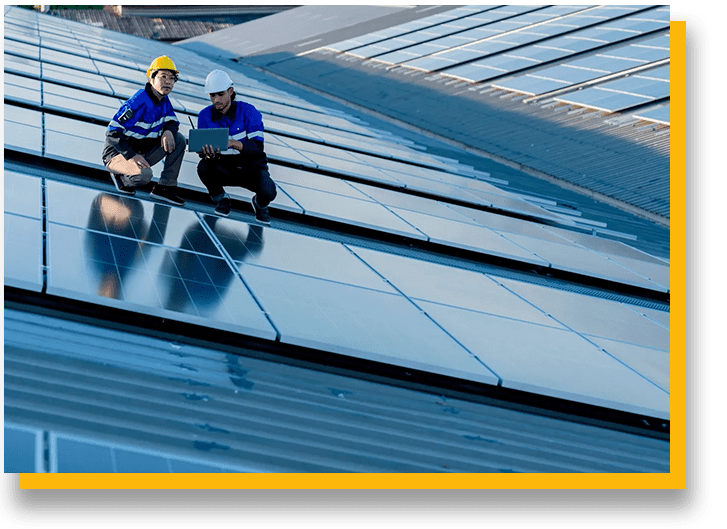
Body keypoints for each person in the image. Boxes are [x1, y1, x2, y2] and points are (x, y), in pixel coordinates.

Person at [102, 55, 186, 206]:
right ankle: (120, 176)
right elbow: (112, 132)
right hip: (118, 153)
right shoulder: (139, 100)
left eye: (172, 78)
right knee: (144, 176)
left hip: (141, 152)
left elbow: (172, 121)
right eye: (163, 76)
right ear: (151, 79)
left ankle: (165, 188)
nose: (168, 81)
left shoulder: (164, 101)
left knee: (178, 139)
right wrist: (131, 156)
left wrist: (168, 131)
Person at [196, 69, 276, 224]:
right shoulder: (205, 116)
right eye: (212, 95)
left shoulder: (249, 111)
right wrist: (207, 154)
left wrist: (233, 144)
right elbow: (203, 151)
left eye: (220, 94)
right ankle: (222, 199)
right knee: (203, 167)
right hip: (224, 166)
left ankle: (259, 204)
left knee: (269, 192)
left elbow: (257, 148)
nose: (216, 99)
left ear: (230, 91)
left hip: (251, 167)